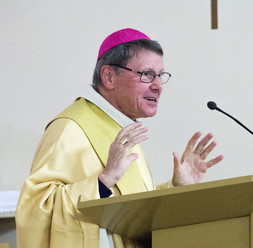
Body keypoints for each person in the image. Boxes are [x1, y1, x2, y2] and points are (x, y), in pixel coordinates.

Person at [16, 28, 224, 248]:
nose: (158, 85)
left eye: (160, 75)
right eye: (146, 74)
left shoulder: (120, 126)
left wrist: (175, 187)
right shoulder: (70, 127)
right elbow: (35, 209)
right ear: (108, 76)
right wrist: (104, 181)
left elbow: (130, 211)